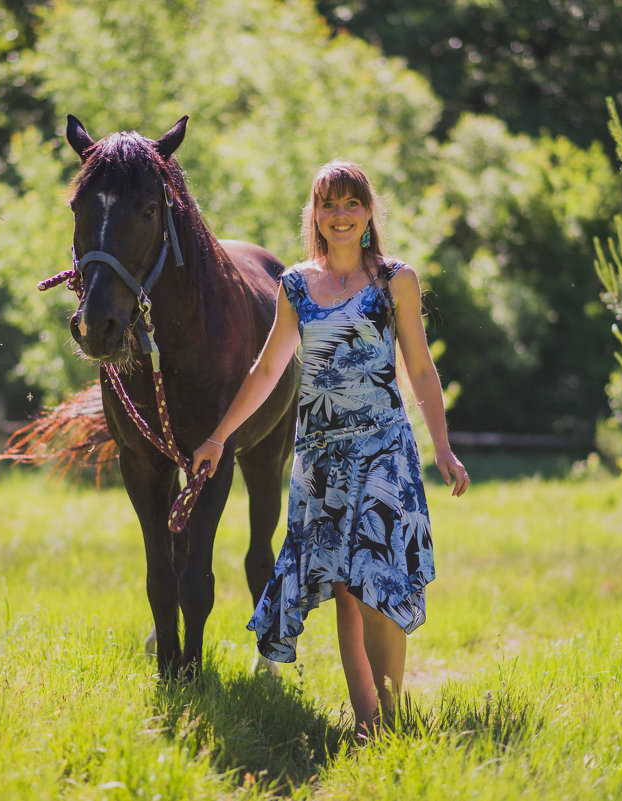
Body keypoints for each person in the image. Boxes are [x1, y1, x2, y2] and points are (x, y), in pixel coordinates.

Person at [191, 160, 469, 739]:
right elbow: (268, 369)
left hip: (383, 450)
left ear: (368, 214)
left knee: (376, 582)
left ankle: (394, 718)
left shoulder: (396, 280)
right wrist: (219, 436)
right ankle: (369, 724)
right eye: (329, 204)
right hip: (320, 459)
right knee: (345, 589)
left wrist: (441, 446)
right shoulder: (295, 285)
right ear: (314, 214)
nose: (340, 215)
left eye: (351, 204)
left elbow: (418, 366)